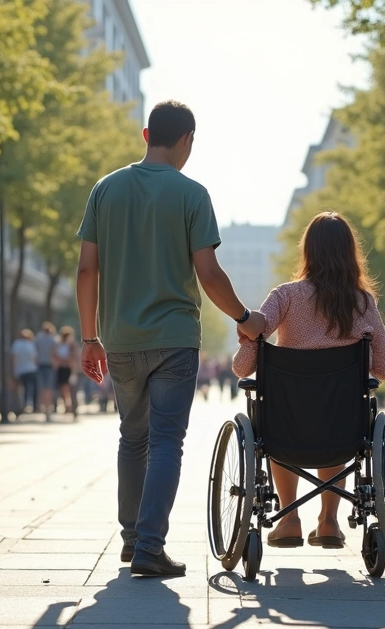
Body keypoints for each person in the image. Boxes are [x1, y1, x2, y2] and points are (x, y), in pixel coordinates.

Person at [77, 100, 265, 577]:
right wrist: (244, 317)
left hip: (118, 338)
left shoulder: (105, 190)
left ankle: (132, 538)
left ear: (145, 135)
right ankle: (150, 546)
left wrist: (88, 338)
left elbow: (86, 269)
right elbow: (208, 273)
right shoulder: (192, 194)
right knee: (165, 441)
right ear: (187, 140)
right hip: (175, 338)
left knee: (131, 437)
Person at [233, 211, 385, 550]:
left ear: (307, 251)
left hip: (287, 424)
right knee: (335, 410)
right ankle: (329, 521)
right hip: (341, 427)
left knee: (280, 415)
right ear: (350, 252)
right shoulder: (362, 302)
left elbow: (242, 367)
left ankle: (289, 520)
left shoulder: (285, 296)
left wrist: (247, 342)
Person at [54, 326, 79, 418]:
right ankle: (67, 407)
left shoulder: (72, 345)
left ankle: (74, 409)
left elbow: (75, 357)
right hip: (62, 369)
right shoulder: (58, 344)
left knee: (73, 390)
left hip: (70, 369)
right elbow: (55, 355)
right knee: (63, 389)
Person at [11, 329, 39, 413]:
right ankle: (34, 405)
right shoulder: (30, 344)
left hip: (20, 370)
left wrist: (14, 370)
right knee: (33, 388)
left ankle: (23, 405)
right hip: (31, 369)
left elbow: (14, 358)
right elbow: (34, 358)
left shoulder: (16, 344)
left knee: (21, 389)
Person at [35, 323, 58, 420]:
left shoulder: (38, 339)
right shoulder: (53, 339)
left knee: (42, 388)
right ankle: (48, 408)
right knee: (49, 388)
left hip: (39, 365)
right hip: (49, 366)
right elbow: (55, 353)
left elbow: (35, 352)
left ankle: (43, 407)